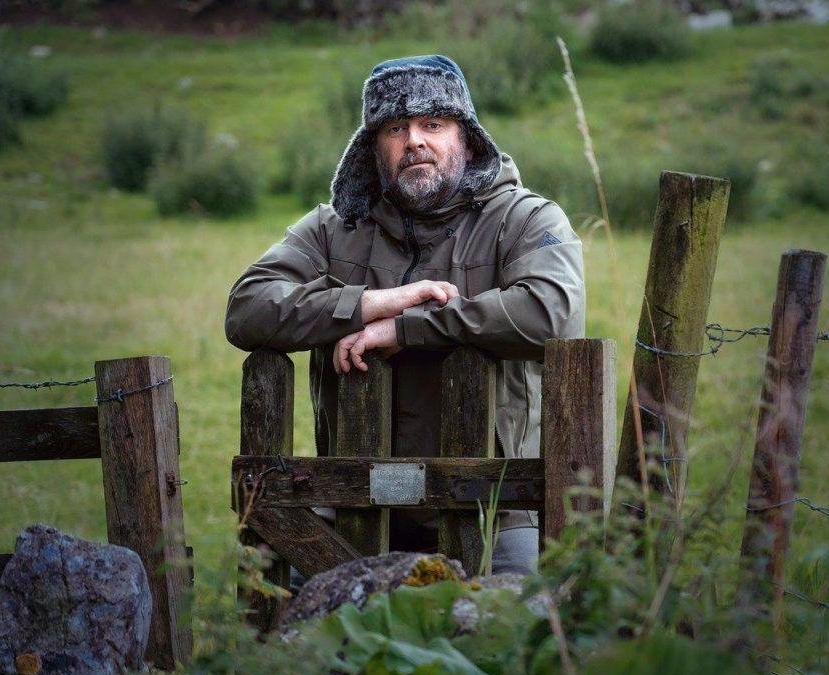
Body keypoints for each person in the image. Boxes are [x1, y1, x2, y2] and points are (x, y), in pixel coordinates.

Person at [224, 54, 585, 578]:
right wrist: (368, 304)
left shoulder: (525, 218)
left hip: (497, 508)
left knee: (514, 639)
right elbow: (247, 308)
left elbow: (552, 313)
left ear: (466, 137)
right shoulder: (333, 228)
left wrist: (408, 328)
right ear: (373, 147)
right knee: (299, 632)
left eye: (433, 124)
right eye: (396, 128)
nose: (415, 140)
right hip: (351, 504)